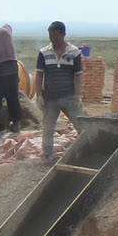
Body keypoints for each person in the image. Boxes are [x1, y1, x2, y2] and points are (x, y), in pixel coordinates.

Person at [33, 23, 85, 160]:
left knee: (82, 125)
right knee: (48, 128)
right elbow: (39, 75)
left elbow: (78, 75)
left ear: (63, 35)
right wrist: (38, 95)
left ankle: (88, 151)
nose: (53, 39)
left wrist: (78, 95)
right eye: (50, 36)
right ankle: (47, 154)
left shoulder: (74, 52)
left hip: (69, 97)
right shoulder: (44, 52)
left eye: (56, 36)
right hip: (50, 98)